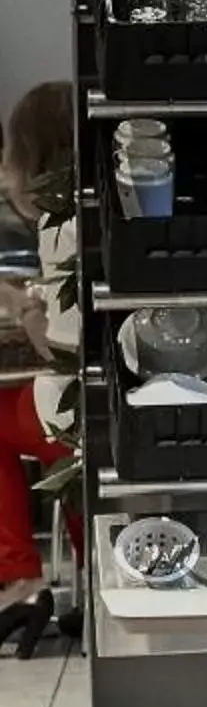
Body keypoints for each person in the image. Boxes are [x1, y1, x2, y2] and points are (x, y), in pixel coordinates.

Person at [0, 83, 75, 613]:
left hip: (72, 408)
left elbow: (59, 350)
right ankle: (88, 566)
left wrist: (20, 306)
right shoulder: (90, 207)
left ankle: (20, 579)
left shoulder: (56, 223)